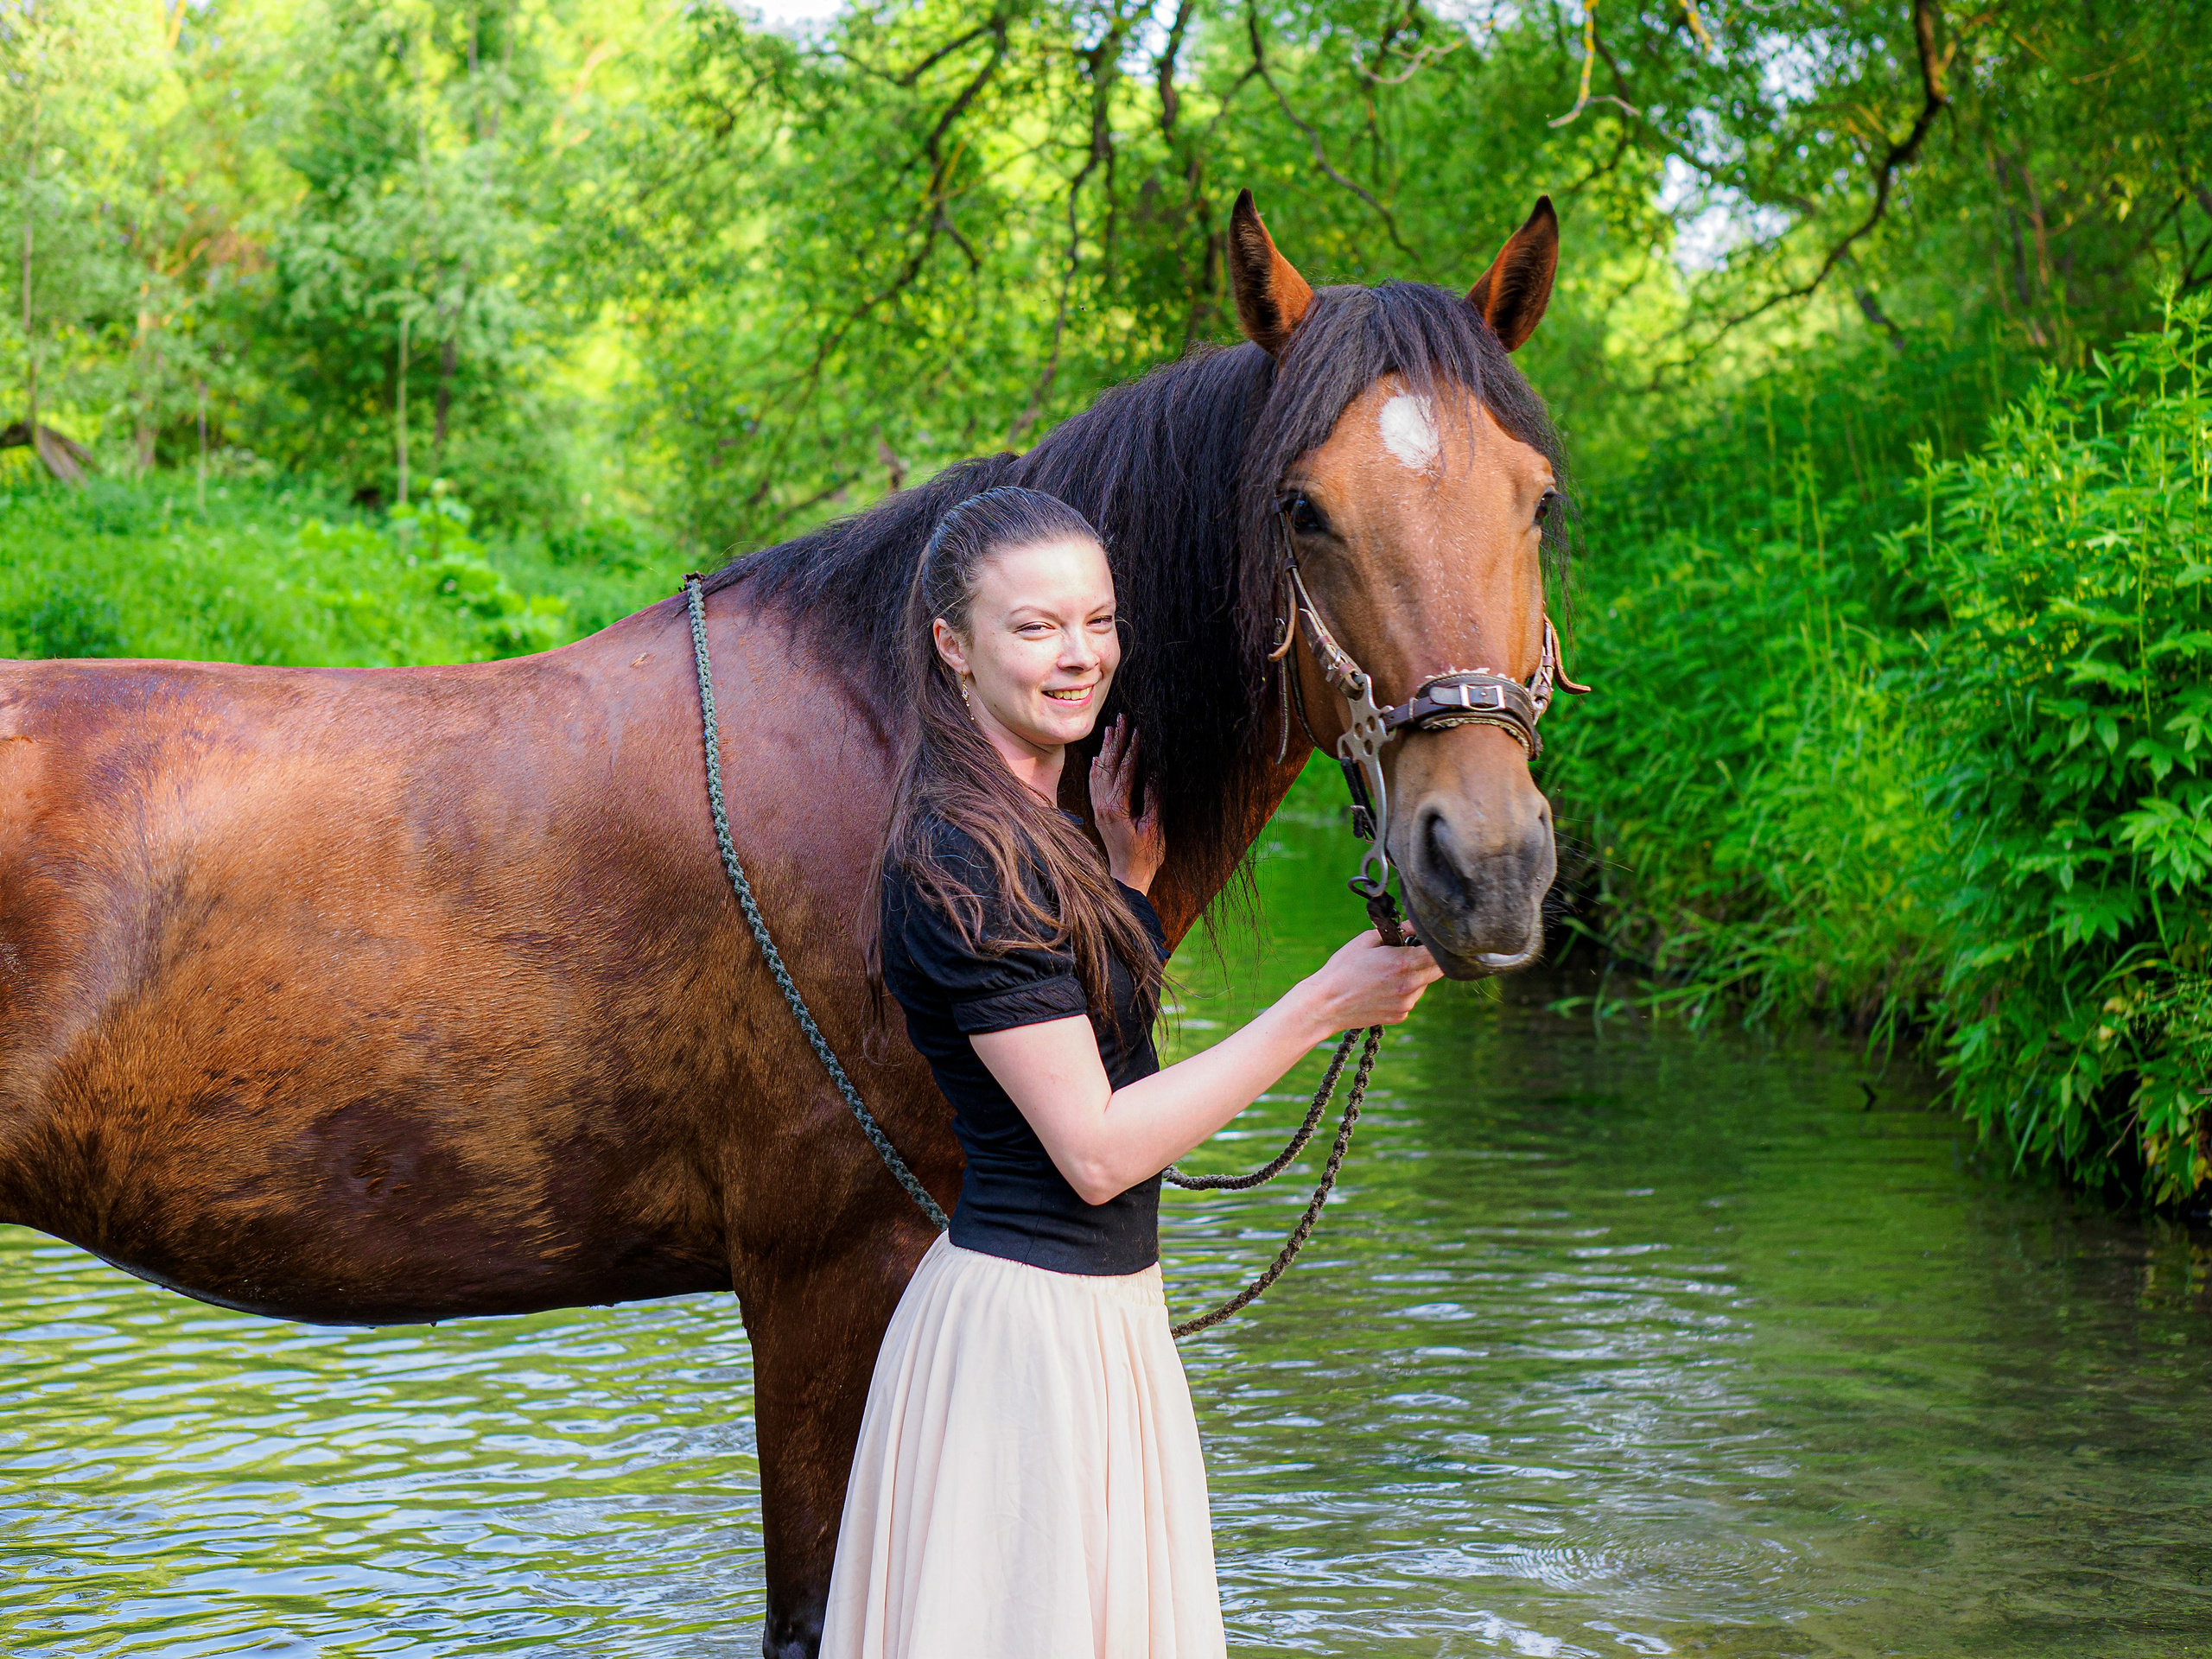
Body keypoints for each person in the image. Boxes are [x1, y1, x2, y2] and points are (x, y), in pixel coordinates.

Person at [819, 486, 1444, 1659]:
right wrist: (1320, 1005)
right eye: (1036, 627)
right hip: (1029, 1342)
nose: (1082, 655)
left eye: (1099, 621)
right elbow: (1097, 1150)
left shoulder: (1032, 830)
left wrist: (1129, 896)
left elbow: (1078, 1037)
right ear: (953, 647)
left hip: (1095, 1319)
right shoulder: (966, 858)